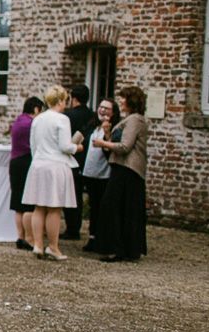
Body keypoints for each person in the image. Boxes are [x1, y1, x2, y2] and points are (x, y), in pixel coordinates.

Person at [22, 86, 84, 260]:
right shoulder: (62, 119)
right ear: (61, 100)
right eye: (65, 100)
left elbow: (33, 146)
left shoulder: (38, 119)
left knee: (39, 207)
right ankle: (53, 247)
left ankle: (38, 245)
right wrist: (77, 147)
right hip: (55, 165)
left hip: (38, 164)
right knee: (54, 208)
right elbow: (65, 146)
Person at [93, 85, 149, 262]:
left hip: (128, 170)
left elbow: (125, 147)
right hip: (120, 167)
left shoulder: (135, 120)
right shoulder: (128, 120)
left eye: (124, 98)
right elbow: (117, 143)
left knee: (117, 207)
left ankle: (119, 248)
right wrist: (108, 133)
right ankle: (118, 247)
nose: (121, 102)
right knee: (117, 208)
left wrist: (102, 143)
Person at [80, 98, 120, 253]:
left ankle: (103, 239)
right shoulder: (93, 126)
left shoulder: (114, 129)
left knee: (103, 208)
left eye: (107, 109)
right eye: (101, 107)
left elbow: (110, 151)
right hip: (90, 172)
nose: (102, 110)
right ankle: (92, 237)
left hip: (104, 174)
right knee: (93, 206)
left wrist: (108, 133)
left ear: (113, 112)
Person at [9, 97, 45, 251]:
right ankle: (30, 239)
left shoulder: (18, 121)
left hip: (15, 162)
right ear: (36, 109)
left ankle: (20, 236)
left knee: (18, 203)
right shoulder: (31, 124)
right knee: (28, 203)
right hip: (25, 162)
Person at [62, 84, 95, 240]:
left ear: (73, 98)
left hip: (72, 158)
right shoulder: (93, 116)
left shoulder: (68, 116)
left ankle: (72, 228)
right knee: (86, 196)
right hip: (89, 159)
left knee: (72, 194)